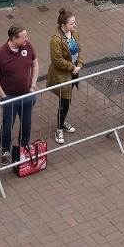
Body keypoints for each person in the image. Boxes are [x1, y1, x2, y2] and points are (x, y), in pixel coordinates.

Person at [0, 24, 39, 166]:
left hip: (27, 94)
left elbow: (35, 65)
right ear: (13, 39)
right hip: (10, 97)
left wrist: (33, 85)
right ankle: (5, 150)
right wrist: (3, 95)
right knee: (7, 126)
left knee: (26, 123)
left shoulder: (28, 46)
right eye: (23, 37)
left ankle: (24, 146)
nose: (27, 39)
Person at [46, 8, 83, 145]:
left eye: (74, 23)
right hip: (62, 75)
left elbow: (79, 50)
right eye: (72, 24)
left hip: (73, 73)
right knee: (64, 101)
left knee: (67, 101)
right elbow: (57, 60)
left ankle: (63, 122)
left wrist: (79, 64)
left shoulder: (75, 33)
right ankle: (59, 128)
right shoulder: (56, 40)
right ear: (63, 25)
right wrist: (73, 67)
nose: (75, 26)